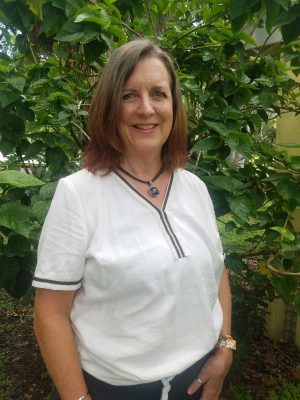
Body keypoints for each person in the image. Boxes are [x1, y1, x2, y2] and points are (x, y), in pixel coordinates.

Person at [33, 38, 235, 400]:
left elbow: (218, 272)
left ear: (174, 105)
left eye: (158, 93)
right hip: (114, 390)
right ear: (110, 107)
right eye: (129, 95)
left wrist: (225, 349)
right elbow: (50, 313)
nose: (146, 108)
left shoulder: (195, 188)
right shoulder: (77, 195)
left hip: (199, 382)